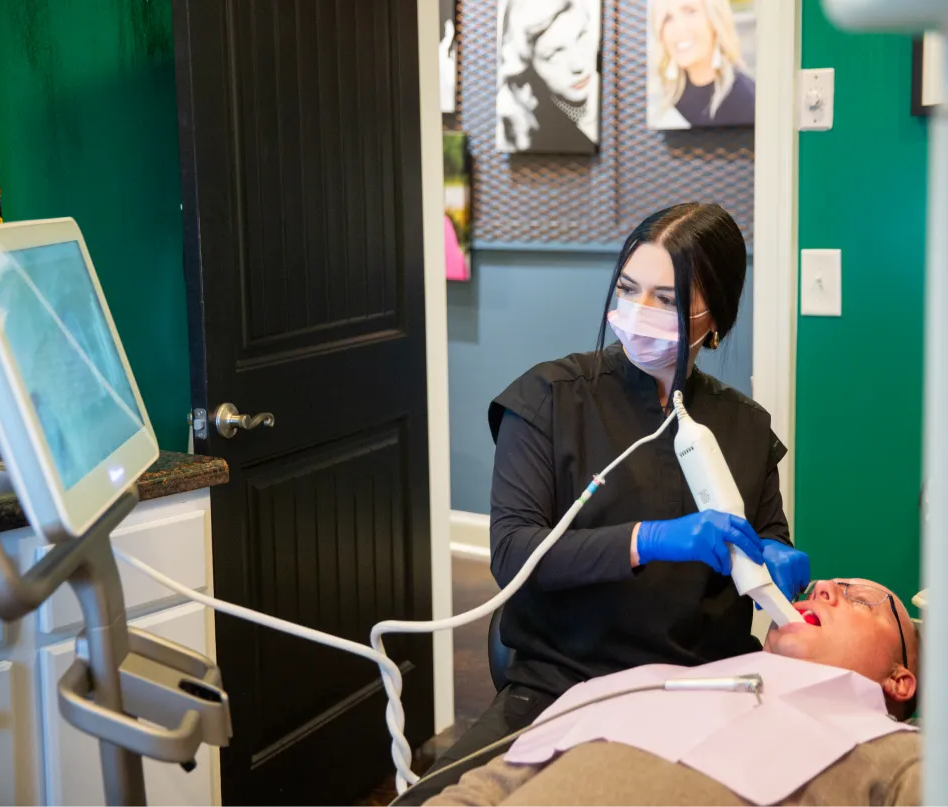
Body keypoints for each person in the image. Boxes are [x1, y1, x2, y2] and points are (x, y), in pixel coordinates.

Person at [392, 203, 809, 806]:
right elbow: (512, 554)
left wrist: (780, 561)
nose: (639, 311)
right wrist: (650, 539)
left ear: (713, 315)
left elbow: (770, 539)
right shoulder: (548, 401)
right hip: (560, 685)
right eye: (628, 289)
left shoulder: (743, 428)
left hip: (701, 690)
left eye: (666, 299)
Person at [423, 578, 921, 806]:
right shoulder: (655, 683)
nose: (822, 591)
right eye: (816, 589)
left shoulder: (892, 748)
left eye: (862, 601)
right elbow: (487, 789)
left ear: (899, 680)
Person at [496, 0, 599, 154]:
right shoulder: (536, 132)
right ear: (529, 64)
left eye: (581, 36)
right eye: (554, 53)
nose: (578, 65)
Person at [647, 0, 755, 129]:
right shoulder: (670, 92)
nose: (678, 29)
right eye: (667, 18)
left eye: (690, 12)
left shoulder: (746, 101)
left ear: (715, 21)